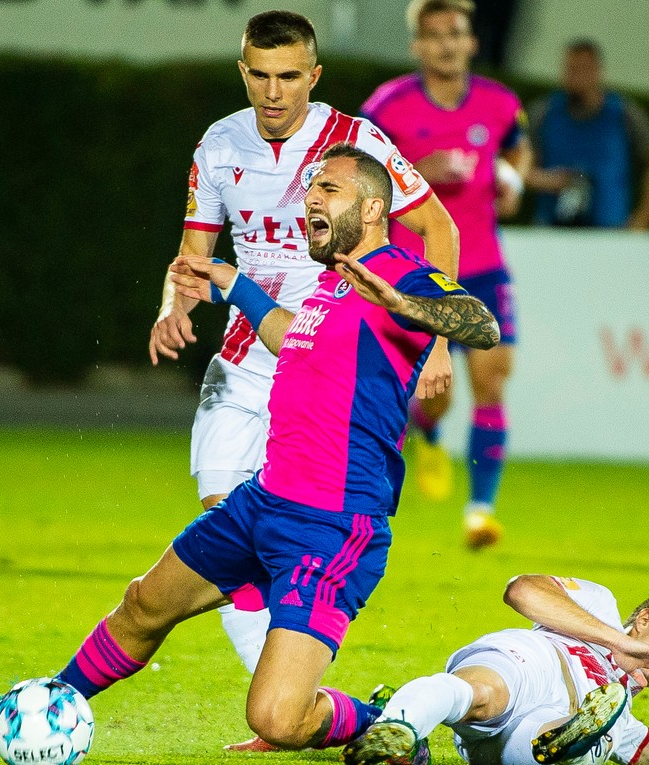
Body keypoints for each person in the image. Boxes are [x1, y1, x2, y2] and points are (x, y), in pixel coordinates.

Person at [0, 144, 499, 754]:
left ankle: (378, 718)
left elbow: (481, 322)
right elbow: (294, 339)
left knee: (277, 720)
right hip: (261, 504)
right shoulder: (330, 288)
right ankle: (48, 704)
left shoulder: (398, 272)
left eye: (328, 189)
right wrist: (239, 287)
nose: (311, 196)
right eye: (310, 185)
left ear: (371, 209)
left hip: (332, 525)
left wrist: (406, 304)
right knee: (144, 604)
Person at [146, 9, 461, 720]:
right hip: (244, 359)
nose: (273, 91)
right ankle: (285, 703)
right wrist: (174, 306)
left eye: (289, 77)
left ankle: (291, 702)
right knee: (225, 521)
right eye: (259, 75)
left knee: (305, 527)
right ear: (243, 72)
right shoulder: (219, 144)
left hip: (328, 362)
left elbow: (436, 223)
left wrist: (437, 338)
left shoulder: (355, 142)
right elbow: (193, 255)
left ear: (313, 76)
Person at [344, 575, 649, 765]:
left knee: (586, 746)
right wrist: (620, 644)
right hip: (539, 661)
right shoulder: (598, 605)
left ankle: (572, 741)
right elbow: (521, 592)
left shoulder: (619, 708)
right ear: (645, 619)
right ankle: (399, 728)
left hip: (550, 726)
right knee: (482, 691)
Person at [362, 0, 529, 550]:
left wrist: (514, 182)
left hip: (482, 266)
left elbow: (517, 149)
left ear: (472, 41)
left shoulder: (500, 103)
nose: (445, 45)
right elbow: (359, 179)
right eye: (433, 37)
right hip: (416, 271)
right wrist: (417, 175)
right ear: (417, 47)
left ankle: (480, 512)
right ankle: (428, 430)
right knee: (435, 395)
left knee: (492, 379)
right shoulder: (387, 108)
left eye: (454, 34)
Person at [524, 39, 649, 230]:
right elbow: (517, 166)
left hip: (610, 231)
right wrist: (548, 181)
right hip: (552, 229)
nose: (576, 78)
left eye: (583, 70)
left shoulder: (622, 113)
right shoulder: (544, 113)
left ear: (597, 71)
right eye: (571, 70)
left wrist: (641, 221)